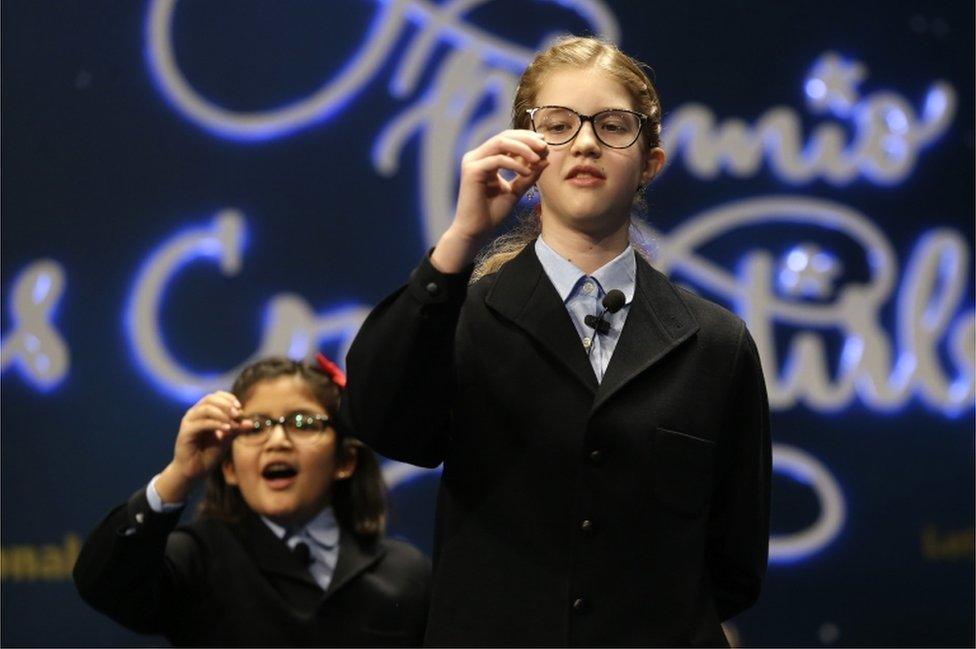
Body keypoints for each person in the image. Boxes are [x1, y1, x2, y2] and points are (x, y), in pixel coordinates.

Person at [342, 36, 771, 646]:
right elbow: (378, 420)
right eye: (559, 125)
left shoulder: (717, 344)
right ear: (525, 150)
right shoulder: (460, 316)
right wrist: (459, 241)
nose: (587, 142)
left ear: (651, 162)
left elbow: (735, 562)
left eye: (614, 126)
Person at [73, 355, 430, 647]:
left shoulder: (406, 573)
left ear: (344, 461)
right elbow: (102, 585)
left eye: (303, 423)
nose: (277, 440)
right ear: (228, 467)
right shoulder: (197, 558)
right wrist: (180, 474)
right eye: (255, 427)